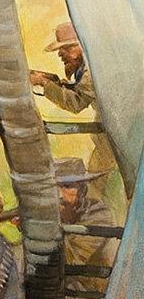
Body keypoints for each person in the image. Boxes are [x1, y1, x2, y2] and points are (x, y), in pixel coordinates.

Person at [29, 22, 115, 202]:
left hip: (115, 140)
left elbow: (75, 103)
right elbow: (79, 90)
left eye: (66, 49)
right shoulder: (90, 66)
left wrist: (44, 83)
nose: (61, 54)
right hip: (111, 139)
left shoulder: (92, 71)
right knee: (97, 186)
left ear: (81, 46)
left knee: (97, 188)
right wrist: (58, 83)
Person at [55, 157, 118, 296]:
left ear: (83, 189)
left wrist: (40, 228)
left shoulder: (99, 214)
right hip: (63, 293)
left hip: (94, 298)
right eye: (53, 187)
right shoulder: (57, 214)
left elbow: (72, 259)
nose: (59, 195)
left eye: (67, 186)